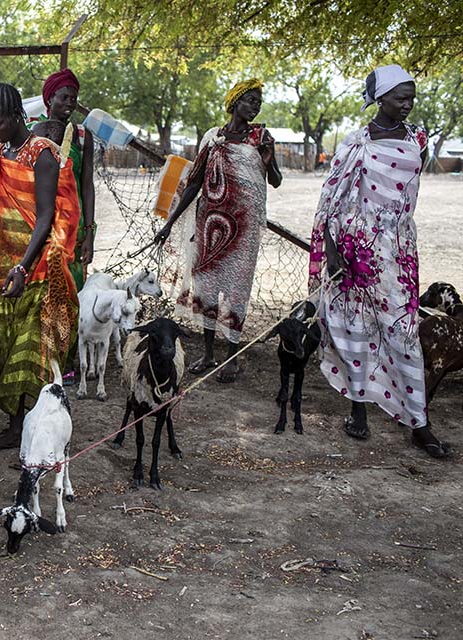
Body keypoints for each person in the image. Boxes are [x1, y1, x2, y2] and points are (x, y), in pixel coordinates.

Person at [309, 64, 448, 459]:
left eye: (411, 98)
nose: (407, 105)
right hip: (357, 249)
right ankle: (358, 409)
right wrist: (332, 251)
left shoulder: (417, 138)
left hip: (399, 248)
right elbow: (330, 204)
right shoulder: (357, 143)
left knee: (404, 333)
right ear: (380, 98)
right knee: (356, 327)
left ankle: (419, 422)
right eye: (400, 98)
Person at [0, 83, 81, 452]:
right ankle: (18, 424)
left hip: (35, 268)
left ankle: (27, 427)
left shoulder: (41, 154)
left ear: (15, 117)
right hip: (0, 268)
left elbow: (45, 218)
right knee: (3, 343)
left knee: (31, 349)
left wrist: (24, 268)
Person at [154, 78, 282, 383]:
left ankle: (232, 357)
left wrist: (269, 157)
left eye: (258, 102)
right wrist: (170, 222)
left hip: (244, 230)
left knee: (237, 291)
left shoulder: (261, 137)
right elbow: (195, 182)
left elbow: (275, 180)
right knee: (207, 288)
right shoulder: (213, 138)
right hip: (209, 224)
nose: (255, 106)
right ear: (235, 102)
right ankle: (209, 353)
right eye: (250, 100)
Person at [29, 68, 96, 290]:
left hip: (73, 223)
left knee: (71, 285)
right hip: (38, 221)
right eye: (64, 97)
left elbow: (86, 185)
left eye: (73, 99)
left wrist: (89, 232)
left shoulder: (83, 135)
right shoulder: (34, 132)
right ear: (49, 99)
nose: (69, 103)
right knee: (38, 284)